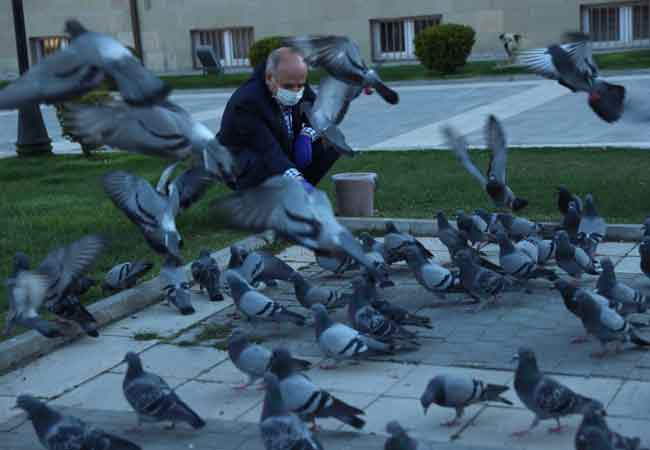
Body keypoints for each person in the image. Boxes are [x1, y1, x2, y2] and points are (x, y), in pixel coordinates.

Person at [218, 47, 340, 191]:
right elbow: (267, 149)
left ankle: (297, 196)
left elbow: (318, 112)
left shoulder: (294, 79)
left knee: (331, 145)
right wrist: (296, 178)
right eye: (288, 87)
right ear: (269, 78)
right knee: (260, 164)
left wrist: (307, 134)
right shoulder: (247, 102)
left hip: (278, 146)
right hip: (244, 161)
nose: (296, 91)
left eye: (300, 86)